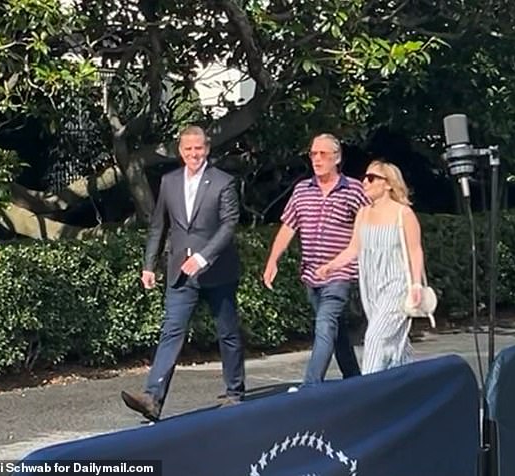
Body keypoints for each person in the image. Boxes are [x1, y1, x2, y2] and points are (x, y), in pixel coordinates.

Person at [121, 125, 245, 421]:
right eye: (188, 149)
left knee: (227, 332)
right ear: (180, 151)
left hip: (218, 271)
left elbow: (229, 225)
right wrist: (149, 265)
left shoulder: (223, 182)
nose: (194, 154)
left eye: (198, 148)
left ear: (207, 148)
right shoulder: (169, 182)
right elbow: (158, 226)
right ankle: (152, 398)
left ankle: (234, 391)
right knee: (171, 332)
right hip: (180, 272)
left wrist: (203, 257)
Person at [263, 133, 369, 387]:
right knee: (336, 330)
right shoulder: (302, 190)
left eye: (323, 154)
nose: (317, 159)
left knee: (324, 324)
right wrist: (272, 261)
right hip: (311, 275)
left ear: (337, 158)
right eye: (313, 154)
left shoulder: (353, 189)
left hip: (341, 274)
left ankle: (311, 386)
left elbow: (370, 225)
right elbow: (289, 227)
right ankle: (355, 380)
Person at [316, 160, 425, 374]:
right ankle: (406, 387)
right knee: (395, 344)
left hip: (397, 285)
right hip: (372, 287)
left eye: (371, 178)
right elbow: (353, 249)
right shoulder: (363, 214)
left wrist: (416, 285)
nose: (365, 181)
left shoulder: (403, 214)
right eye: (365, 177)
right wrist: (330, 266)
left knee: (375, 337)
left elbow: (415, 251)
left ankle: (368, 391)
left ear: (388, 184)